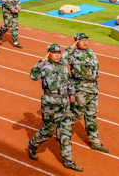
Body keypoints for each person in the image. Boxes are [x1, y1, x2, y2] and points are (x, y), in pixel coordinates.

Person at [27, 44, 83, 172]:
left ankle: (68, 161)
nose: (57, 55)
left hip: (64, 104)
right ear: (49, 54)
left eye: (59, 53)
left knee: (66, 132)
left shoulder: (63, 67)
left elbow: (69, 82)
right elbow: (33, 76)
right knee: (48, 131)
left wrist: (72, 93)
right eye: (54, 53)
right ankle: (33, 144)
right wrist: (41, 61)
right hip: (50, 105)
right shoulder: (45, 67)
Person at [64, 33, 109, 153]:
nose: (85, 42)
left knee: (91, 116)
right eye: (81, 40)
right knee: (77, 114)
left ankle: (95, 142)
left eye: (86, 40)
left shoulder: (91, 52)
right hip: (80, 88)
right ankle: (62, 129)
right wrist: (71, 47)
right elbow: (62, 61)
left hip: (93, 88)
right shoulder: (72, 54)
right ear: (76, 42)